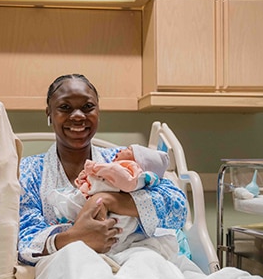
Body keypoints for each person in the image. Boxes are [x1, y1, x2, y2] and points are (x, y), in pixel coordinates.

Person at [17, 74, 188, 266]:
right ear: (49, 113)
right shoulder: (28, 171)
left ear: (98, 111)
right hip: (66, 265)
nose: (78, 116)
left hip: (130, 259)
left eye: (88, 107)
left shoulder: (124, 161)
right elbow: (23, 238)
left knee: (149, 266)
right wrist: (75, 237)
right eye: (65, 107)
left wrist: (110, 200)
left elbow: (178, 209)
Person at [45, 143, 173, 259]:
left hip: (117, 225)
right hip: (75, 244)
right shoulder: (32, 170)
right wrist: (70, 237)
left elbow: (176, 206)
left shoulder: (125, 167)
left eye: (128, 149)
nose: (78, 116)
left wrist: (105, 197)